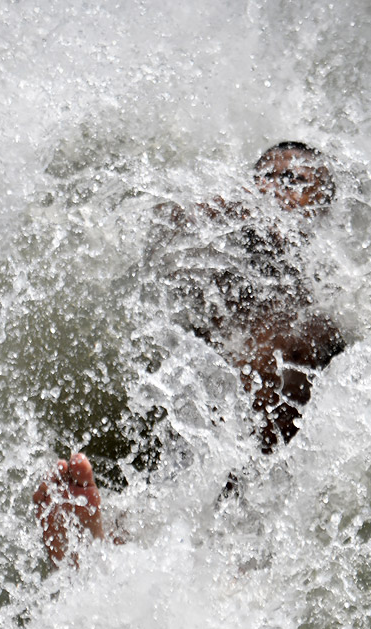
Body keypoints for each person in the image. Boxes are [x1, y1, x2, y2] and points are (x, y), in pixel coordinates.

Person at [33, 142, 346, 566]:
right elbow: (163, 227)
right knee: (171, 511)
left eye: (293, 181)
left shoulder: (324, 305)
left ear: (321, 211)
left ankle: (95, 556)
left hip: (283, 488)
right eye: (266, 177)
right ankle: (92, 546)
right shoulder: (221, 280)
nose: (275, 189)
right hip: (205, 474)